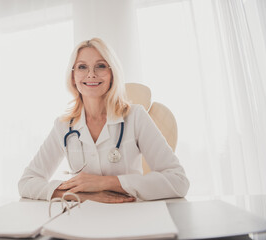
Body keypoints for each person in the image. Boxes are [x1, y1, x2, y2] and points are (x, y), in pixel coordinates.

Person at [18, 38, 189, 203]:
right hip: (83, 219)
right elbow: (26, 182)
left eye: (100, 66)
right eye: (82, 67)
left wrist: (105, 182)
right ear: (72, 76)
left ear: (112, 74)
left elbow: (178, 181)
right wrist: (80, 195)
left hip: (130, 217)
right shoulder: (63, 126)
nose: (91, 74)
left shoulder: (136, 116)